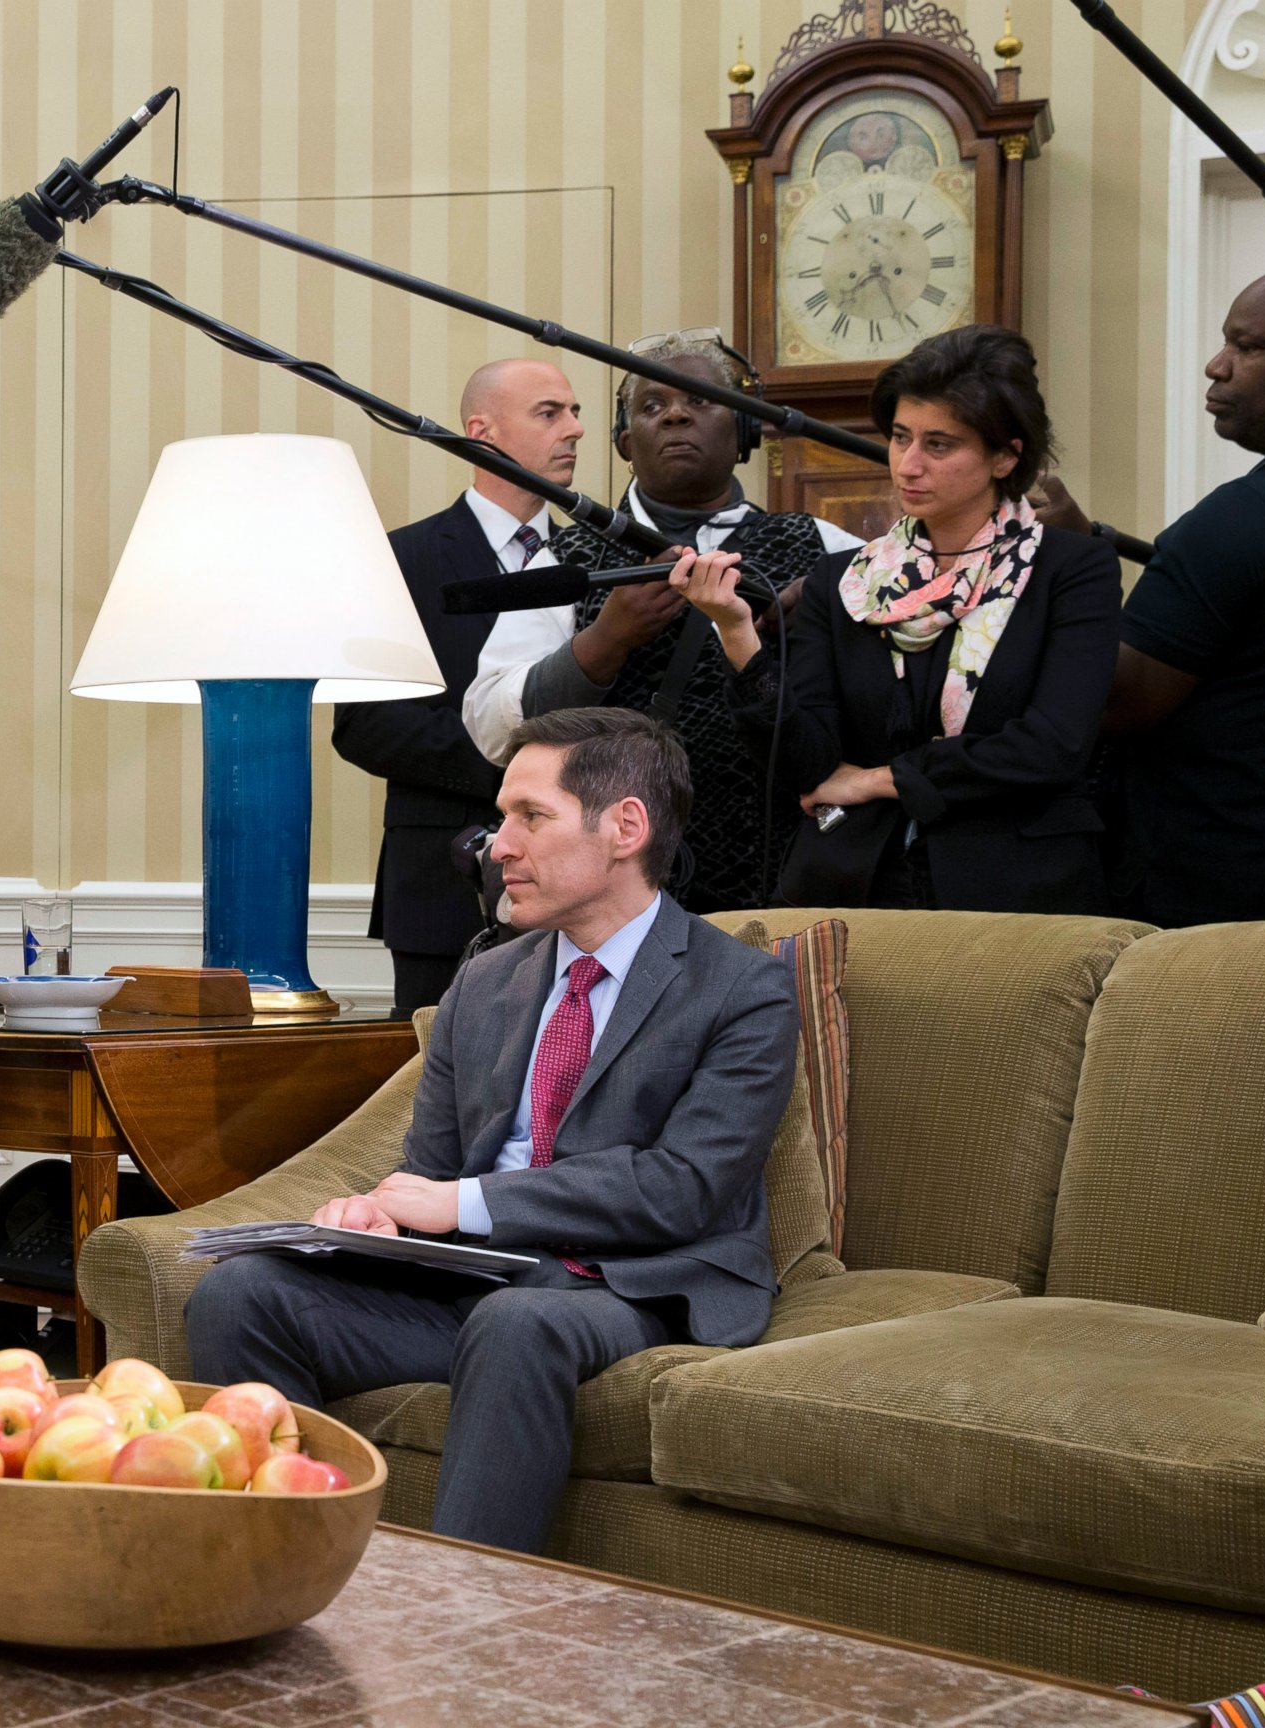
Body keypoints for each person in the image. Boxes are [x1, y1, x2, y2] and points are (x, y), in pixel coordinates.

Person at [187, 706, 795, 1554]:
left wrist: (465, 1203)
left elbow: (684, 1188)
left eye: (530, 818)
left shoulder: (741, 990)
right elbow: (429, 1169)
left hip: (635, 1284)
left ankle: (457, 1625)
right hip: (480, 1281)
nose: (497, 845)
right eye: (501, 817)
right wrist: (380, 1218)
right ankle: (286, 1572)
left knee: (520, 1323)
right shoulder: (486, 980)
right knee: (242, 1293)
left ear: (626, 827)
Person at [678, 324, 1122, 911]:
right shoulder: (845, 580)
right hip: (852, 887)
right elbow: (806, 764)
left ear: (1005, 455)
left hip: (1016, 891)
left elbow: (1051, 747)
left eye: (939, 445)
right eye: (900, 437)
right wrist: (736, 632)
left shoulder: (1073, 569)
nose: (908, 465)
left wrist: (875, 780)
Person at [476, 330, 864, 912]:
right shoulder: (566, 557)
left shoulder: (825, 548)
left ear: (744, 432)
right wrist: (606, 640)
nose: (676, 416)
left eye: (699, 402)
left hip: (782, 876)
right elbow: (489, 721)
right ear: (625, 441)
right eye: (653, 406)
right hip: (612, 882)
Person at [1100, 255, 1265, 924]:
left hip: (1218, 921)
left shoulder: (1245, 516)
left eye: (1247, 346)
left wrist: (1065, 575)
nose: (1216, 366)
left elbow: (1120, 699)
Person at [334, 357, 586, 1012]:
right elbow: (364, 725)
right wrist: (519, 774)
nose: (576, 429)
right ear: (483, 431)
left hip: (582, 886)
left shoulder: (592, 562)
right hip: (441, 887)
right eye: (550, 412)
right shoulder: (400, 559)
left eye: (576, 411)